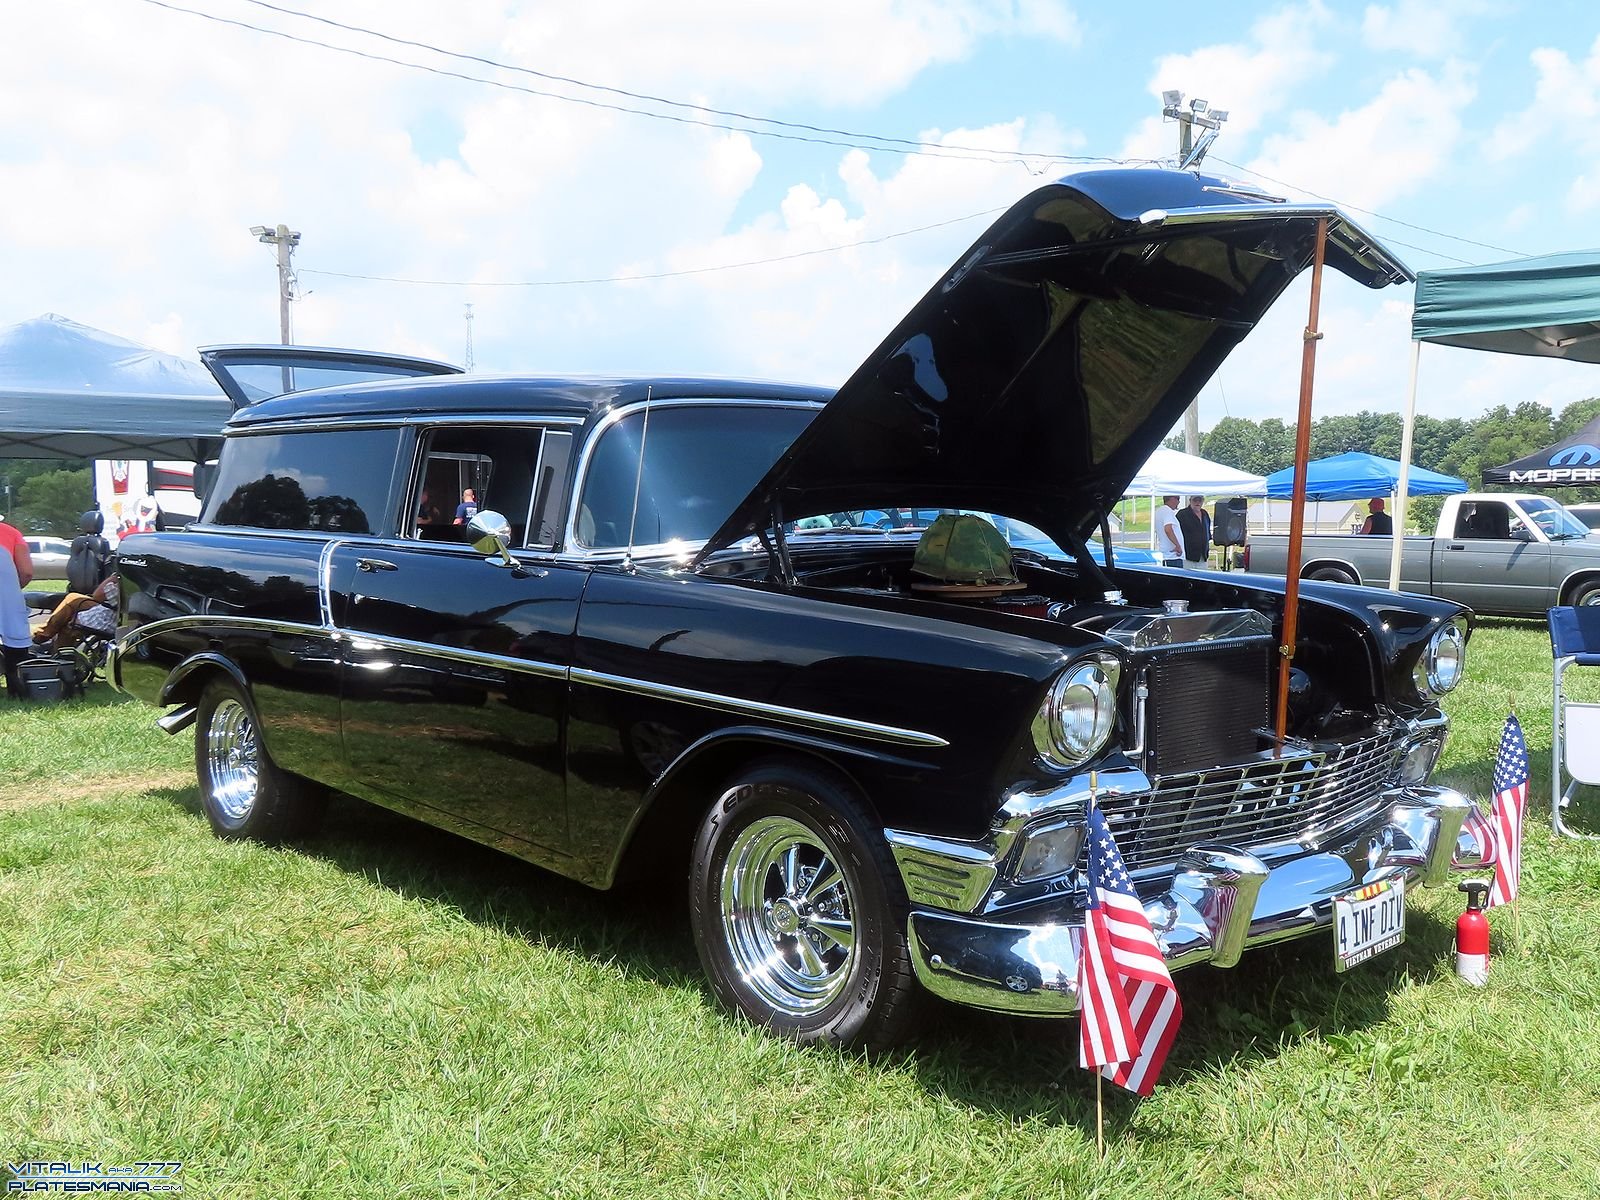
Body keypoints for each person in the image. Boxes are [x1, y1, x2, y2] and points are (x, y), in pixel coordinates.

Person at [33, 574, 118, 649]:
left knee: (71, 623)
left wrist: (114, 577)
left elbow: (97, 595)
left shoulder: (128, 580)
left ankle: (60, 654)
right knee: (73, 598)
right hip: (114, 609)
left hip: (114, 616)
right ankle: (44, 634)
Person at [0, 518, 34, 699]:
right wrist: (12, 588)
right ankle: (16, 687)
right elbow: (26, 571)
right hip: (5, 594)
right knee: (13, 636)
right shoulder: (11, 533)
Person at [1177, 495, 1212, 569]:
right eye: (1195, 500)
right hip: (1188, 556)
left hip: (1203, 556)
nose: (1197, 502)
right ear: (1190, 501)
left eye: (1200, 500)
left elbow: (1207, 530)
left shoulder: (1205, 514)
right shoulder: (1182, 514)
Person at [1156, 495, 1184, 567]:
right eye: (1178, 499)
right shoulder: (1167, 511)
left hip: (1167, 554)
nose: (1179, 501)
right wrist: (1177, 545)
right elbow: (1168, 529)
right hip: (1172, 555)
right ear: (1172, 499)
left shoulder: (1159, 511)